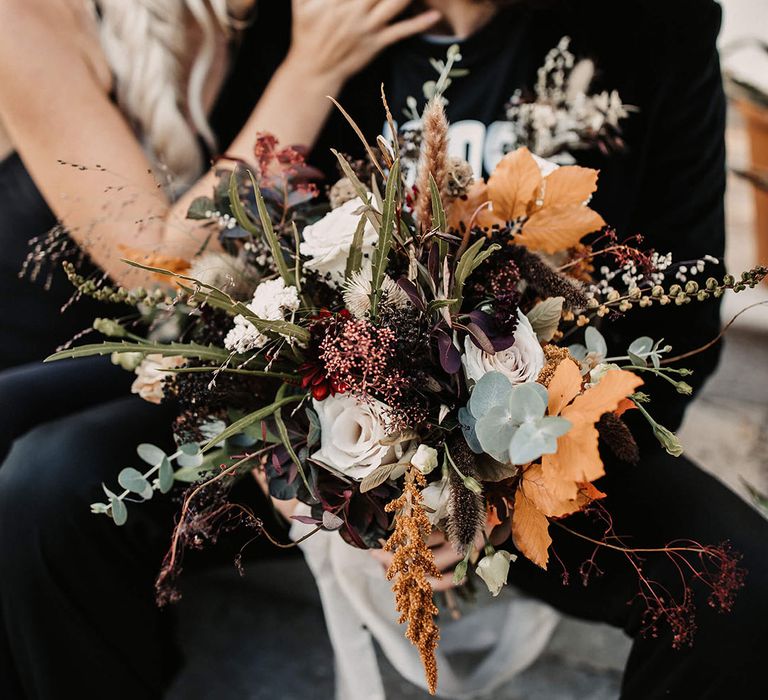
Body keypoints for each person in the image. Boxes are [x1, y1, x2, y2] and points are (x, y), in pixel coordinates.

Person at [0, 0, 766, 698]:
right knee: (50, 485)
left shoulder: (650, 30)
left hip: (547, 444)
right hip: (305, 440)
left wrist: (500, 487)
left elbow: (681, 310)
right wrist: (289, 460)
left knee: (744, 587)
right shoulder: (296, 32)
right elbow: (223, 282)